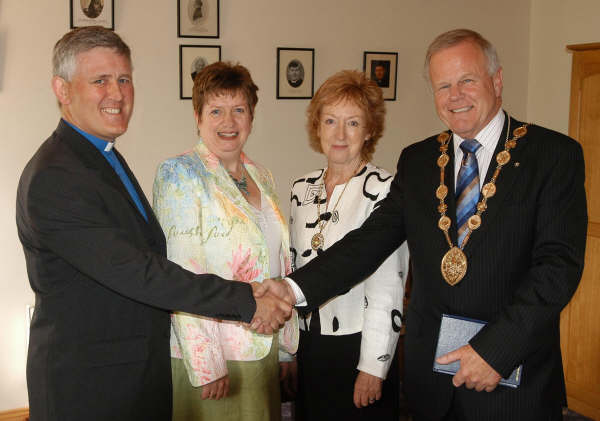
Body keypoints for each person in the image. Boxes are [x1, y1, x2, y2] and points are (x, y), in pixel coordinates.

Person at [256, 28, 587, 421]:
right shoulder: (419, 162)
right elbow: (368, 243)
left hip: (512, 377)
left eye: (467, 80)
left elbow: (557, 269)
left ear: (496, 81)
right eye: (442, 85)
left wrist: (494, 351)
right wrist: (291, 289)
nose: (454, 96)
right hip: (432, 380)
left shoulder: (551, 155)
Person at [16, 26, 290, 421]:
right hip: (91, 388)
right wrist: (247, 300)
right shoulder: (56, 176)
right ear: (62, 89)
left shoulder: (102, 155)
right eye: (100, 81)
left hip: (131, 374)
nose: (117, 93)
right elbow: (140, 272)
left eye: (124, 79)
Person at [153, 61, 299, 421]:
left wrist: (284, 349)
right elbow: (181, 272)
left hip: (262, 346)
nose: (228, 122)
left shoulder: (261, 176)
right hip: (213, 356)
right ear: (198, 116)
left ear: (251, 115)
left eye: (238, 110)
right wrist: (206, 364)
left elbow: (278, 262)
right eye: (216, 110)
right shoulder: (180, 174)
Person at [289, 70, 408, 420]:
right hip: (311, 344)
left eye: (353, 123)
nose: (339, 134)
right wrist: (291, 349)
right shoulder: (300, 188)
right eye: (330, 121)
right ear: (317, 127)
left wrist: (374, 366)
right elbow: (296, 269)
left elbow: (389, 285)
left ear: (369, 130)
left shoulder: (388, 190)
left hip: (360, 346)